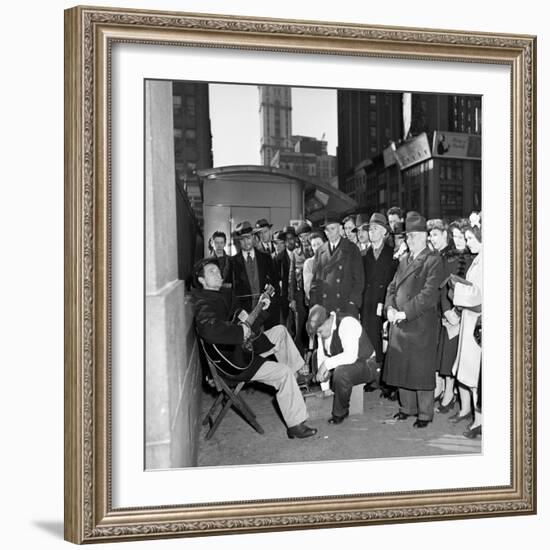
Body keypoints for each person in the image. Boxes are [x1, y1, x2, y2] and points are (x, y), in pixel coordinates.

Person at [192, 258, 317, 439]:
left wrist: (262, 309)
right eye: (212, 272)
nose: (218, 273)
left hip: (241, 349)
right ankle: (295, 424)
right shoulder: (204, 303)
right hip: (235, 363)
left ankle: (298, 376)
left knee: (281, 331)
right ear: (201, 280)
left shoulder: (221, 295)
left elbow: (247, 325)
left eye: (218, 271)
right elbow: (210, 330)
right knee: (283, 373)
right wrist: (238, 332)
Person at [383, 211, 444, 428]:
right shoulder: (403, 260)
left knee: (420, 369)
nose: (410, 240)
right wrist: (390, 308)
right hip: (399, 321)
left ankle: (425, 414)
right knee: (402, 367)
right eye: (408, 236)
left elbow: (428, 296)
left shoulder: (433, 260)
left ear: (425, 236)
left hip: (419, 323)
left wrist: (403, 312)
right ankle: (406, 408)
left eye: (415, 236)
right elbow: (392, 286)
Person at [429, 218, 474, 413]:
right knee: (444, 355)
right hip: (446, 312)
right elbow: (442, 286)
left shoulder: (466, 257)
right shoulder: (446, 256)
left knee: (456, 357)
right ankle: (444, 391)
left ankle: (453, 395)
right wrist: (446, 310)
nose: (458, 240)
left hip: (462, 312)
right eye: (455, 237)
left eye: (461, 236)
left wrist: (454, 311)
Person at [306, 305, 378, 424]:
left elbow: (350, 356)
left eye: (320, 331)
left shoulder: (346, 323)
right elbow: (321, 357)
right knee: (316, 357)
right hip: (346, 364)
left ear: (328, 321)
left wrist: (326, 365)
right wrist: (325, 388)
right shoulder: (322, 332)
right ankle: (337, 390)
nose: (319, 336)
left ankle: (341, 412)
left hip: (366, 363)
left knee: (341, 372)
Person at [449, 222, 482, 439]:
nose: (467, 242)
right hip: (470, 319)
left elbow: (479, 295)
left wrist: (457, 291)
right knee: (471, 372)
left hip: (477, 322)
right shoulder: (479, 259)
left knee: (477, 374)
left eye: (470, 238)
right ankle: (476, 417)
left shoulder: (485, 261)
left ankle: (479, 421)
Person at [360, 213, 398, 371]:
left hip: (385, 302)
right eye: (370, 229)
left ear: (384, 232)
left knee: (384, 339)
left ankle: (384, 375)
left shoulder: (393, 255)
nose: (371, 232)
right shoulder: (362, 255)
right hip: (367, 304)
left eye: (375, 229)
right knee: (368, 339)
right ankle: (370, 374)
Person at [310, 214, 364, 317]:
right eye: (326, 229)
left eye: (332, 228)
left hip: (344, 307)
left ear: (340, 229)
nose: (329, 232)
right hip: (324, 308)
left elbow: (359, 280)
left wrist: (353, 302)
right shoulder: (320, 251)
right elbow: (315, 282)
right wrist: (314, 304)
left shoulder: (351, 249)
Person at [229, 221, 280, 329]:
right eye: (242, 239)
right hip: (245, 315)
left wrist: (269, 294)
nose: (245, 241)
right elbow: (230, 290)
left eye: (248, 237)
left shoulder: (266, 258)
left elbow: (275, 283)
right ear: (238, 242)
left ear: (253, 237)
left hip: (266, 311)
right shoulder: (232, 262)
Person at [288, 222, 312, 353]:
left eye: (307, 235)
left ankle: (311, 357)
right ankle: (299, 359)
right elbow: (291, 277)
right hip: (299, 295)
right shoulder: (295, 254)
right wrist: (291, 298)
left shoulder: (317, 251)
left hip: (314, 295)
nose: (305, 239)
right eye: (302, 237)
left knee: (313, 326)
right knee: (300, 328)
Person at [274, 225, 297, 327]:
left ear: (295, 239)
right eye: (286, 239)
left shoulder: (300, 255)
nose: (289, 242)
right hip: (283, 298)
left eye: (291, 238)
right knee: (285, 326)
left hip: (297, 297)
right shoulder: (278, 258)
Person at [303, 231, 325, 302]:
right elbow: (308, 287)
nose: (317, 247)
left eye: (319, 244)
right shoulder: (309, 263)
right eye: (314, 245)